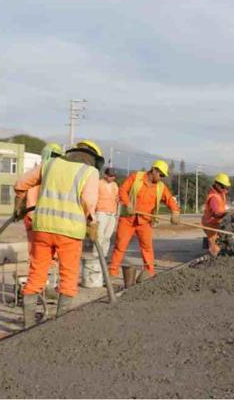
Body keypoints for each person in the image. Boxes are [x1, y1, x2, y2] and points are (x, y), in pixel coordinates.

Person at [14, 140, 103, 327]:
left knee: (36, 275)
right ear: (92, 159)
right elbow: (88, 200)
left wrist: (20, 201)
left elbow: (21, 183)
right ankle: (59, 326)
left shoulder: (49, 164)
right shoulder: (90, 172)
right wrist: (92, 221)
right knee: (68, 277)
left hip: (42, 229)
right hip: (69, 232)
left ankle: (28, 325)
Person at [108, 160, 180, 281]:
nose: (161, 178)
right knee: (120, 246)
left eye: (163, 176)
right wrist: (128, 203)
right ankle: (112, 272)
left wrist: (175, 211)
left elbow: (169, 199)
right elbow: (122, 190)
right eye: (161, 175)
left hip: (145, 221)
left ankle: (149, 272)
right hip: (128, 219)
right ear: (154, 170)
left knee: (147, 248)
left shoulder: (160, 187)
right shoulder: (136, 177)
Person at [201, 173, 231, 256]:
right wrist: (225, 214)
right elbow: (216, 213)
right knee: (214, 248)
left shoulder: (221, 193)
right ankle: (212, 262)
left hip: (216, 223)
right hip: (210, 224)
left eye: (226, 187)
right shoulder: (214, 197)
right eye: (222, 187)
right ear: (217, 184)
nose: (225, 189)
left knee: (219, 242)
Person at [94, 167, 119, 257]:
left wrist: (117, 214)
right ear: (105, 175)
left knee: (107, 236)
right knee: (99, 235)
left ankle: (104, 254)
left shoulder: (115, 185)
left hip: (112, 214)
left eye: (114, 176)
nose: (112, 178)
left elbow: (117, 199)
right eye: (111, 176)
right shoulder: (98, 184)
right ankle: (96, 254)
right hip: (101, 212)